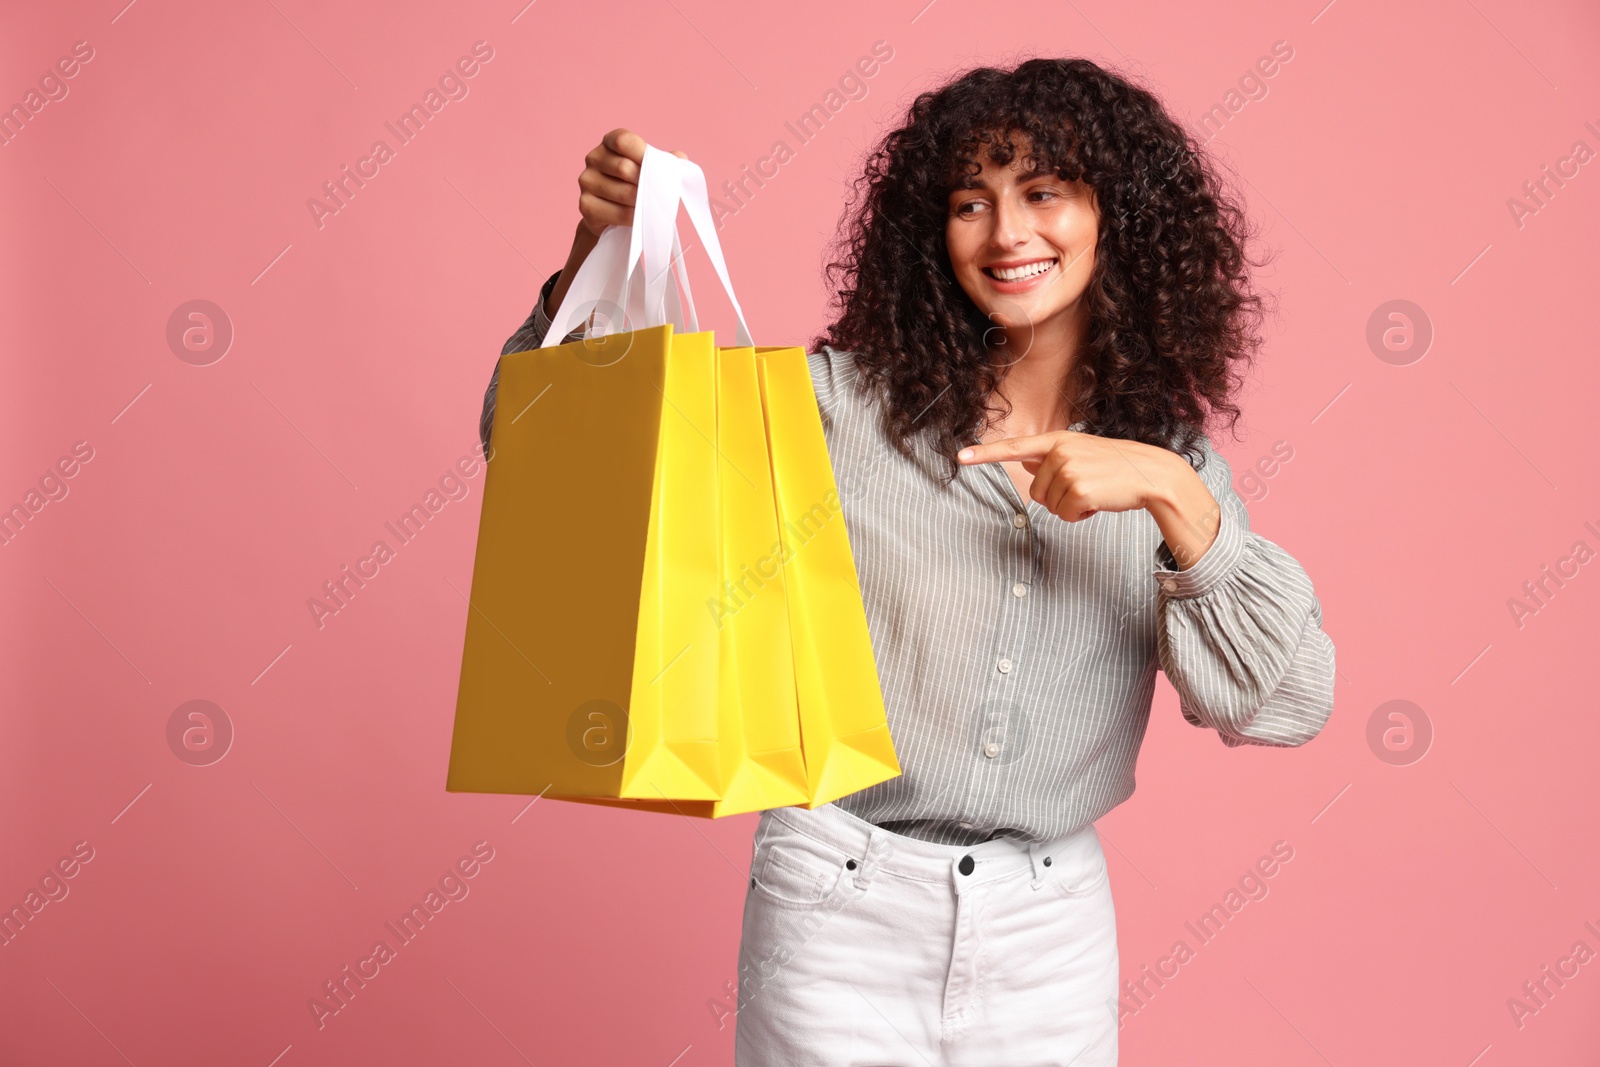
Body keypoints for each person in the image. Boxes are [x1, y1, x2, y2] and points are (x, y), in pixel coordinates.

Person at [478, 57, 1335, 1067]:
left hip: (1049, 926)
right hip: (837, 902)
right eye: (971, 201)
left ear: (1119, 217)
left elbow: (1284, 703)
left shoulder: (1172, 467)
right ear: (934, 234)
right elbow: (542, 457)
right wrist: (593, 256)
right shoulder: (840, 409)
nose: (1008, 232)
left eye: (1044, 192)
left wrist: (1172, 494)